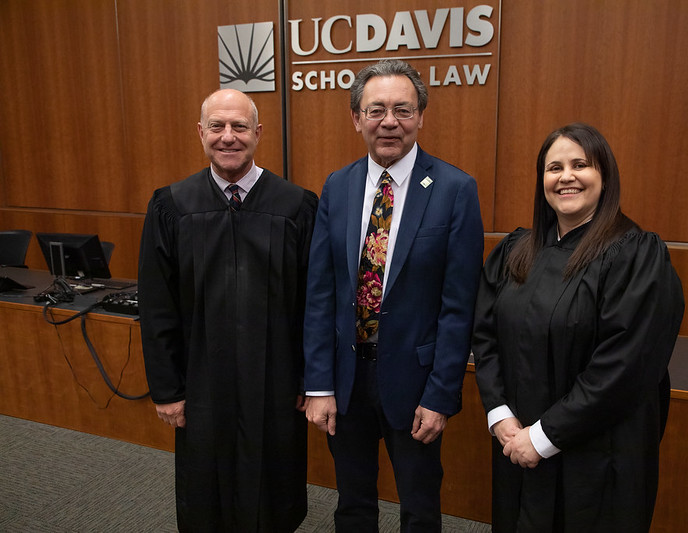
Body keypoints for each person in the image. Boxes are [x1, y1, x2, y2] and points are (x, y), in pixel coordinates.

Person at [472, 123, 684, 532]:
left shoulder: (636, 256)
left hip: (596, 452)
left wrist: (545, 436)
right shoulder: (516, 251)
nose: (565, 176)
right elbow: (485, 335)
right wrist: (500, 415)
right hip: (515, 438)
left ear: (604, 176)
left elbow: (625, 366)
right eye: (554, 168)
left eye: (580, 164)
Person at [303, 59, 484, 532]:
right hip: (346, 380)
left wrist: (442, 395)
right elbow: (321, 293)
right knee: (352, 501)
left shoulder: (455, 190)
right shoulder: (337, 187)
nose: (389, 122)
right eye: (376, 109)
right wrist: (319, 384)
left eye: (402, 110)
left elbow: (459, 306)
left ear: (421, 116)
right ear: (356, 118)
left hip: (416, 382)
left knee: (420, 506)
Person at [138, 89, 318, 532]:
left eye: (239, 127)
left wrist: (310, 380)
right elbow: (157, 306)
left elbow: (315, 305)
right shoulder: (171, 205)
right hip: (202, 382)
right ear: (201, 133)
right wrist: (166, 389)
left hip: (277, 382)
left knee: (274, 490)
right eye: (217, 126)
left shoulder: (296, 206)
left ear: (258, 134)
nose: (228, 137)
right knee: (206, 491)